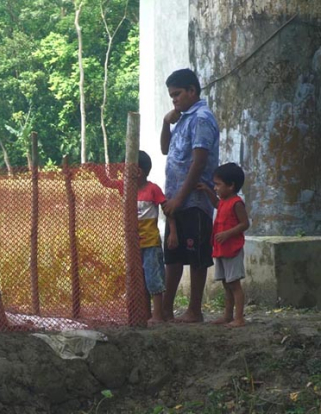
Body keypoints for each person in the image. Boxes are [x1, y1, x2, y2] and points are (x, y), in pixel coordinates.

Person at [160, 68, 219, 323]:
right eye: (171, 96)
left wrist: (180, 199)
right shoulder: (183, 118)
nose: (174, 100)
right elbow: (165, 149)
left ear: (192, 91)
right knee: (172, 256)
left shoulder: (202, 118)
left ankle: (194, 310)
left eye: (177, 94)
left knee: (196, 257)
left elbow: (199, 161)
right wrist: (166, 121)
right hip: (175, 199)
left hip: (193, 200)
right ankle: (164, 310)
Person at [94, 151, 177, 325]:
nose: (123, 173)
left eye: (126, 169)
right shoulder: (125, 187)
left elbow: (168, 210)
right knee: (139, 278)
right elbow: (107, 182)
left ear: (138, 172)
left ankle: (158, 315)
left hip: (151, 243)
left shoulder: (153, 189)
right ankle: (145, 313)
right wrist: (97, 170)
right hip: (133, 244)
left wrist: (173, 233)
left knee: (153, 277)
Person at [197, 163, 249, 327]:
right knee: (227, 285)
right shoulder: (224, 201)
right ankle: (227, 316)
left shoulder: (236, 203)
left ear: (231, 185)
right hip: (222, 250)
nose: (216, 187)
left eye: (218, 184)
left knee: (234, 285)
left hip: (232, 249)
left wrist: (228, 233)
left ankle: (239, 317)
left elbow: (245, 224)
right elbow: (216, 204)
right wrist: (207, 190)